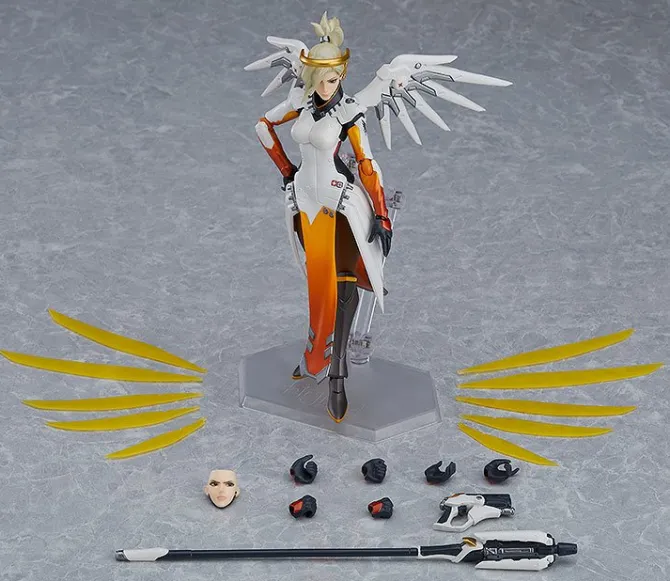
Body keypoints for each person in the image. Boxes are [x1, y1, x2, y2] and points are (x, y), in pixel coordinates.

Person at [254, 12, 391, 423]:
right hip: (306, 204)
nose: (323, 87)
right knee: (317, 283)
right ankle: (315, 355)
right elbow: (263, 126)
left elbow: (366, 163)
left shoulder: (349, 111)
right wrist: (286, 171)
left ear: (342, 73)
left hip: (338, 202)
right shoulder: (301, 101)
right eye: (316, 78)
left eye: (330, 79)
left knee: (344, 279)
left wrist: (381, 214)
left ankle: (337, 375)